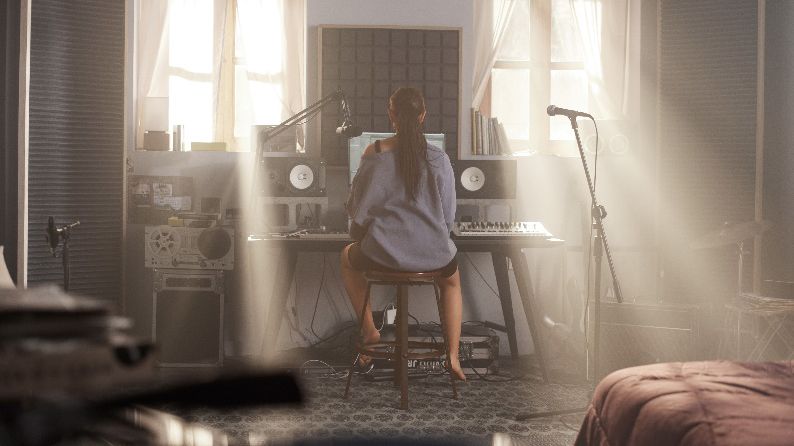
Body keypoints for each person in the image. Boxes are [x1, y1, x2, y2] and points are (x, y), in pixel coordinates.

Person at [340, 87, 465, 381]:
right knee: (452, 283)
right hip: (432, 258)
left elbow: (359, 211)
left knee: (347, 259)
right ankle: (453, 355)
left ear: (391, 114)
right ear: (423, 116)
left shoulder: (375, 152)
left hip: (381, 256)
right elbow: (447, 218)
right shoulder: (439, 159)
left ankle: (370, 333)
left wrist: (358, 233)